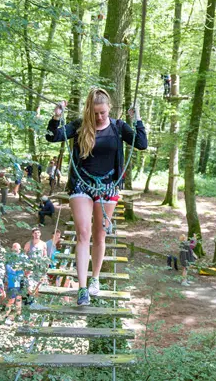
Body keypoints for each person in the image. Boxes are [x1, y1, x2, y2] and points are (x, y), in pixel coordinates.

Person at [45, 87, 147, 305]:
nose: (99, 117)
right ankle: (82, 288)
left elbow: (141, 143)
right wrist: (56, 116)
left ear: (109, 108)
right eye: (95, 113)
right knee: (83, 233)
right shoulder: (80, 126)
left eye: (103, 112)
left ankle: (95, 278)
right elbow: (52, 137)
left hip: (108, 186)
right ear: (89, 110)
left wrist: (137, 117)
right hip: (81, 184)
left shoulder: (119, 127)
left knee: (99, 235)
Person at [3, 243, 26, 325]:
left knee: (19, 298)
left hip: (21, 280)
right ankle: (6, 316)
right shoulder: (9, 258)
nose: (16, 251)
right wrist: (17, 269)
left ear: (20, 249)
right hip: (12, 281)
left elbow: (27, 266)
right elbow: (9, 270)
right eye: (14, 249)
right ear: (12, 249)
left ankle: (18, 315)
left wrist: (19, 268)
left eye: (18, 249)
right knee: (11, 300)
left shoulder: (23, 257)